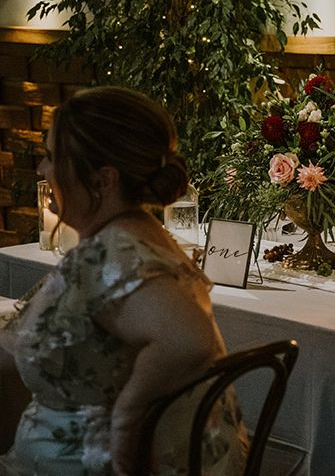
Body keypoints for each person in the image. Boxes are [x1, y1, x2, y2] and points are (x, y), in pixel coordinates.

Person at [0, 87, 248, 475]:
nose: (42, 170)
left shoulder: (120, 251)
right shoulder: (135, 232)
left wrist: (127, 418)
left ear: (103, 181)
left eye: (51, 157)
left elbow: (188, 339)